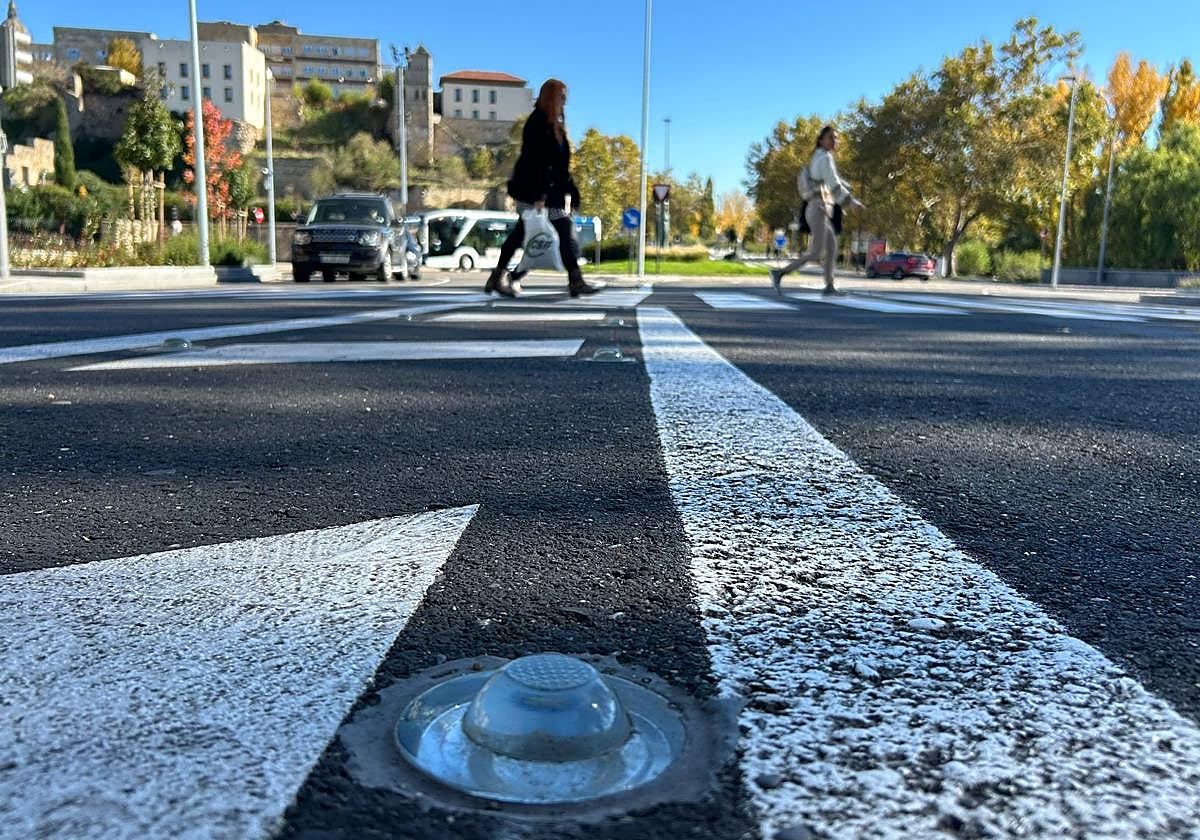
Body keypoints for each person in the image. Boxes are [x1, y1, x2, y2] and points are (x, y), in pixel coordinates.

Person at [484, 79, 597, 298]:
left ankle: (499, 276)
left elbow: (561, 166)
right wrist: (539, 195)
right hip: (536, 191)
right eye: (562, 96)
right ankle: (575, 280)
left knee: (523, 234)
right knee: (560, 232)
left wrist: (571, 191)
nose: (565, 101)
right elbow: (533, 160)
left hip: (549, 191)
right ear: (551, 97)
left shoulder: (556, 127)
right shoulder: (537, 123)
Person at [769, 125, 863, 296]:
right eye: (831, 138)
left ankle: (829, 286)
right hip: (817, 209)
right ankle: (779, 273)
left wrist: (845, 192)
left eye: (836, 137)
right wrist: (852, 202)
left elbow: (831, 182)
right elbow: (834, 184)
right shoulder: (825, 158)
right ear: (821, 141)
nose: (835, 141)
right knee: (815, 253)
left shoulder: (820, 157)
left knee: (832, 248)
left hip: (820, 210)